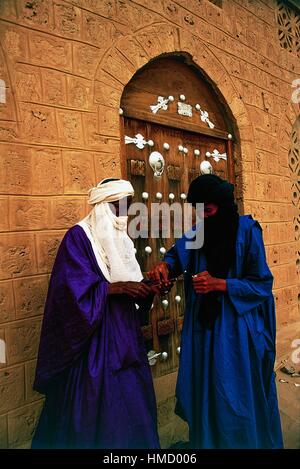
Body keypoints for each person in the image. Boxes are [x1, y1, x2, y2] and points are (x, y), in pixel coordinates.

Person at [148, 174, 283, 449]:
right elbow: (177, 255)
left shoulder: (247, 231)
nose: (203, 218)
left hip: (236, 333)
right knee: (207, 391)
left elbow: (261, 284)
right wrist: (165, 265)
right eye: (199, 212)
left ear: (221, 206)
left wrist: (221, 284)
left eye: (207, 211)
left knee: (234, 396)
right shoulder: (200, 233)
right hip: (205, 330)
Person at [32, 178, 162, 449]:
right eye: (118, 207)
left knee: (133, 405)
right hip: (93, 342)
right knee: (95, 412)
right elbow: (68, 293)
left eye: (126, 207)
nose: (122, 216)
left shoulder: (121, 238)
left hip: (126, 338)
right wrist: (114, 289)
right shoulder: (78, 237)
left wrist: (147, 289)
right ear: (103, 206)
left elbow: (129, 283)